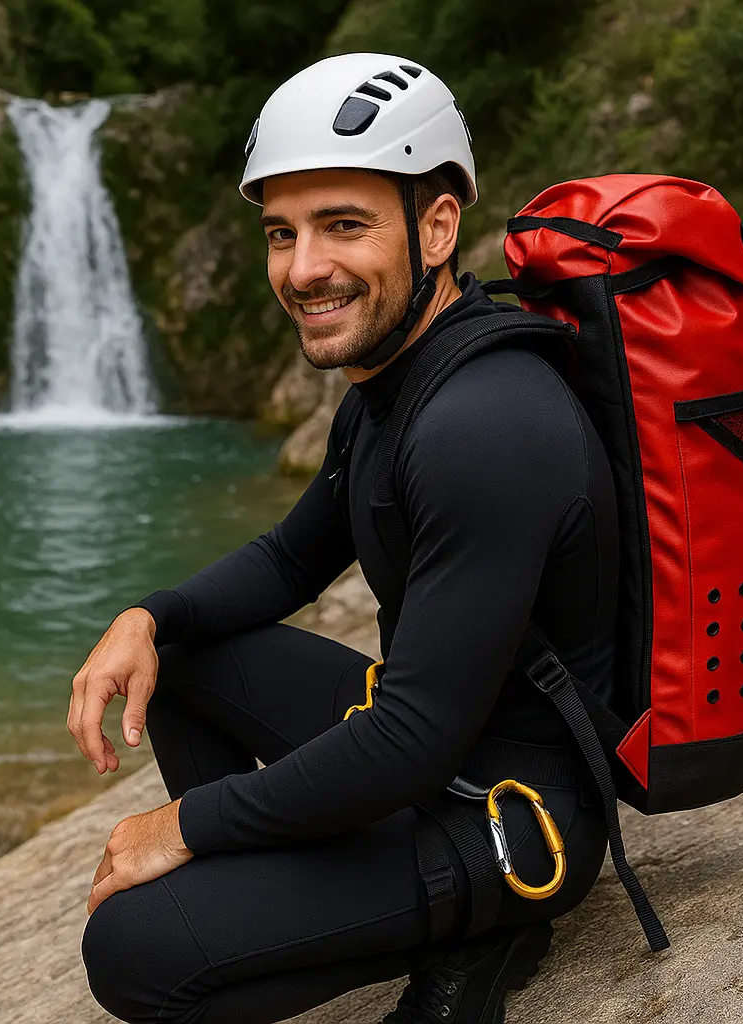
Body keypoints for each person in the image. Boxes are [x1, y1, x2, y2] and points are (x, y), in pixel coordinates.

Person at [71, 51, 615, 1024]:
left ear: (438, 225)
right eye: (281, 233)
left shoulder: (483, 425)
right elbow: (289, 558)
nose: (302, 267)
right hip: (437, 751)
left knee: (132, 950)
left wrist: (187, 827)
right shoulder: (392, 383)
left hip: (510, 812)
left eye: (342, 225)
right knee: (181, 651)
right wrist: (145, 616)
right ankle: (320, 888)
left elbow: (409, 737)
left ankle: (478, 929)